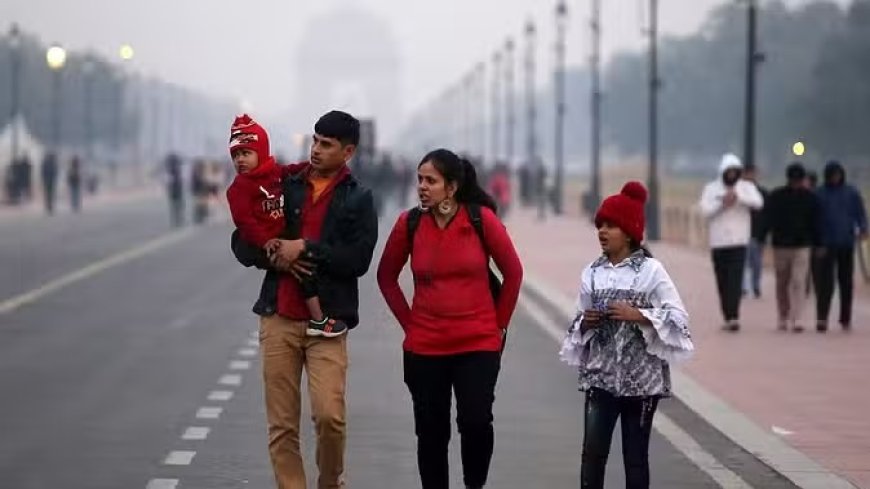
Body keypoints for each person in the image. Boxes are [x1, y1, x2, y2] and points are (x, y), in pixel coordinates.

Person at [231, 110, 378, 489]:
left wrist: (306, 248)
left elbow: (358, 261)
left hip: (327, 319)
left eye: (326, 145)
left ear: (347, 152)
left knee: (330, 417)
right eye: (314, 140)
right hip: (279, 313)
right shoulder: (285, 184)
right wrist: (278, 256)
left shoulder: (359, 198)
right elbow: (242, 243)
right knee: (282, 425)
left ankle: (330, 481)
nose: (315, 149)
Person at [376, 149, 523, 489]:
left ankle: (474, 484)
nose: (422, 187)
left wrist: (498, 326)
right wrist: (409, 323)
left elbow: (513, 273)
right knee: (430, 432)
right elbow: (386, 277)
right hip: (425, 347)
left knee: (475, 423)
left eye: (431, 181)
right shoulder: (409, 224)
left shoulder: (479, 220)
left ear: (452, 187)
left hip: (478, 343)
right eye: (420, 180)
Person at [560, 181, 694, 489]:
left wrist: (640, 315)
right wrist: (586, 322)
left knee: (636, 458)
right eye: (600, 225)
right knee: (592, 456)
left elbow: (679, 319)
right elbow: (576, 321)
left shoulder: (652, 271)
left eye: (611, 226)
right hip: (600, 379)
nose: (602, 232)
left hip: (642, 383)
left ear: (630, 232)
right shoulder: (592, 272)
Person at [226, 113, 348, 337]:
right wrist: (265, 243)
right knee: (305, 274)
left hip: (287, 236)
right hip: (269, 243)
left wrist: (311, 164)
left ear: (260, 153)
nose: (240, 160)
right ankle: (319, 319)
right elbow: (244, 223)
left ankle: (318, 319)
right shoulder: (239, 187)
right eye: (235, 155)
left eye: (246, 153)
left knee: (306, 273)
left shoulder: (274, 173)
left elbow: (291, 170)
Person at [699, 153, 763, 331]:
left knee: (735, 279)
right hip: (718, 242)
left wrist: (739, 198)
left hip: (739, 241)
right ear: (723, 172)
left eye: (735, 172)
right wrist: (722, 204)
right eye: (729, 172)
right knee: (723, 280)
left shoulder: (746, 187)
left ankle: (734, 315)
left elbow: (758, 203)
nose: (732, 175)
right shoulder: (711, 188)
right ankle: (727, 314)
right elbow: (705, 211)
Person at [760, 163, 820, 332]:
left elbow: (816, 222)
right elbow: (767, 219)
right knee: (782, 282)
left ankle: (797, 317)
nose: (796, 183)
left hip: (802, 246)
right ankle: (783, 314)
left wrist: (818, 242)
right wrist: (763, 238)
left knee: (799, 281)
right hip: (781, 246)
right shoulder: (777, 196)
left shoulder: (810, 198)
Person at [814, 161, 868, 332]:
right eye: (832, 175)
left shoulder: (851, 193)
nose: (835, 178)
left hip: (846, 242)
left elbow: (860, 213)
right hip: (826, 243)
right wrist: (817, 242)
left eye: (838, 175)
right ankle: (822, 317)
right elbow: (814, 219)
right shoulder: (820, 194)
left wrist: (864, 228)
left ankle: (845, 318)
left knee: (846, 282)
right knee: (825, 284)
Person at [741, 165, 768, 298]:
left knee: (756, 263)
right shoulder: (738, 192)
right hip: (740, 235)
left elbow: (767, 213)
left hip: (757, 234)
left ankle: (756, 286)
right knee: (743, 263)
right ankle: (743, 288)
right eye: (748, 174)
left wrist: (764, 233)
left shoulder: (762, 193)